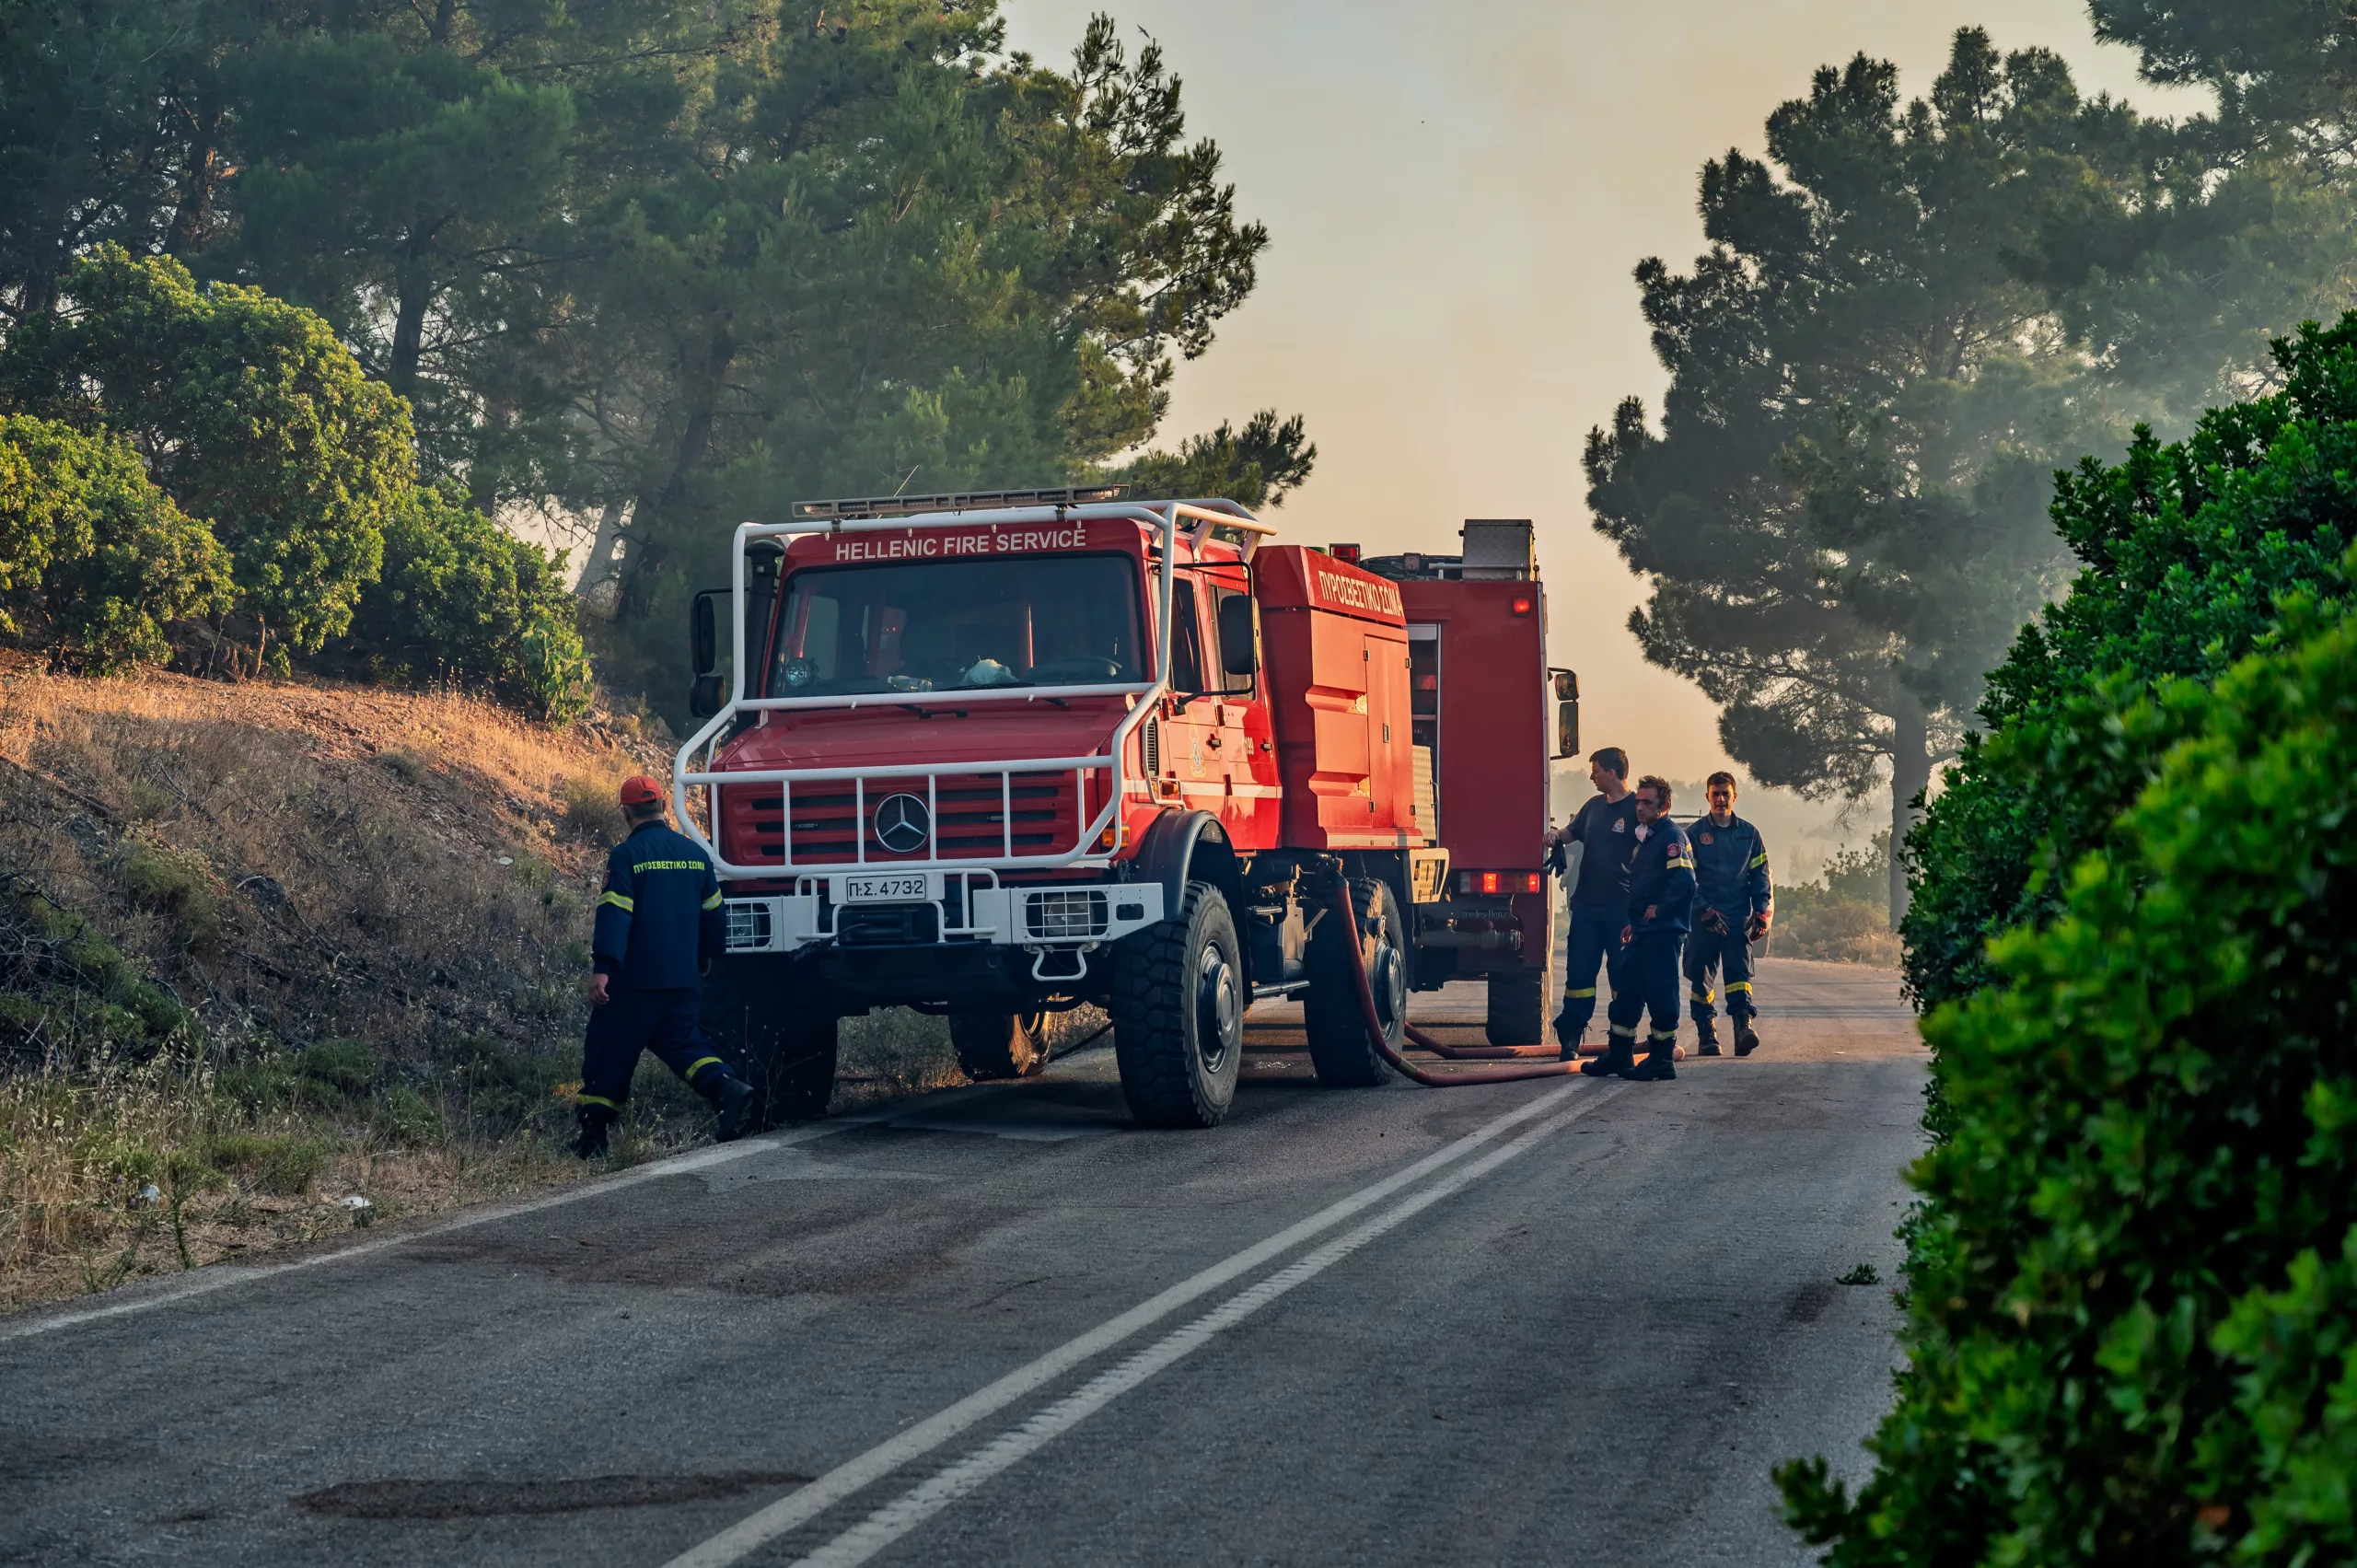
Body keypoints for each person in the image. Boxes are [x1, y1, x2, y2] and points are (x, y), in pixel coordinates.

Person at [576, 775, 755, 1158]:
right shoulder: (696, 855)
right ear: (661, 806)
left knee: (611, 1049)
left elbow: (616, 914)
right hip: (683, 979)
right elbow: (714, 915)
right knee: (683, 1043)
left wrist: (604, 967)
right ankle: (727, 1087)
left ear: (626, 813)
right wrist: (706, 958)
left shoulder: (626, 856)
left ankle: (593, 1138)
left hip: (635, 980)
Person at [1594, 775, 1694, 1082]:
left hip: (1663, 932)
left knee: (1661, 993)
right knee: (1628, 990)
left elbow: (1686, 883)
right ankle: (1620, 1055)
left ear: (1665, 806)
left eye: (1647, 803)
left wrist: (1660, 909)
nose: (1639, 808)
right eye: (1638, 802)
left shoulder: (1671, 838)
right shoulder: (1649, 838)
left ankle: (1662, 1060)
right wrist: (1632, 922)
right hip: (1642, 931)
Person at [1547, 747, 1640, 1063]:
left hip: (1621, 911)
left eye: (1596, 771)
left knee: (1622, 977)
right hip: (1586, 908)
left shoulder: (1637, 809)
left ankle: (1621, 1040)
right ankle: (1571, 1035)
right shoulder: (1593, 807)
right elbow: (1571, 832)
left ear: (1612, 772)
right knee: (1579, 976)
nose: (1592, 777)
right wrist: (1554, 836)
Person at [1685, 771, 1773, 1057]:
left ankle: (1743, 1028)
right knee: (1701, 979)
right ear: (1707, 796)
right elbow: (1687, 880)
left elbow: (1760, 875)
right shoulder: (1693, 835)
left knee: (1739, 975)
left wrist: (1761, 912)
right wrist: (1704, 911)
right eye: (1716, 794)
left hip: (1738, 920)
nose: (1721, 799)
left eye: (1726, 794)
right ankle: (1707, 1033)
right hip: (1704, 920)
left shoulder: (1750, 834)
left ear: (1735, 796)